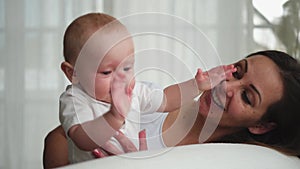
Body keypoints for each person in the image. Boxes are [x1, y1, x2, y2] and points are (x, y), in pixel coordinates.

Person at [58, 12, 236, 164]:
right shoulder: (75, 99)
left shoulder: (134, 92)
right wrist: (114, 117)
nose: (121, 79)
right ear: (73, 73)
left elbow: (166, 99)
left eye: (127, 68)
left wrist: (196, 85)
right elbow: (81, 139)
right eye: (106, 72)